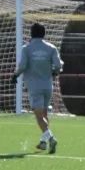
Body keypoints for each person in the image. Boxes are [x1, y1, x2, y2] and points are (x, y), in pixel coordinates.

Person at [11, 22, 64, 154]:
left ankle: (51, 138)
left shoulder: (26, 48)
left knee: (39, 116)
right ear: (44, 34)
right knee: (44, 115)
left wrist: (15, 75)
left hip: (34, 86)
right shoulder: (51, 48)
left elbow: (22, 65)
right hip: (47, 86)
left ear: (31, 33)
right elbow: (58, 65)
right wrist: (54, 71)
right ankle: (43, 142)